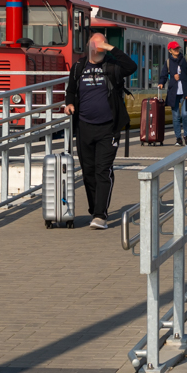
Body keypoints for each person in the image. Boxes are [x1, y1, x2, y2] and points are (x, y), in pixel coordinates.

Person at [65, 32, 139, 230]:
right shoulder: (79, 67)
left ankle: (100, 215)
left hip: (108, 127)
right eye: (95, 44)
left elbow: (132, 67)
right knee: (88, 171)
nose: (98, 48)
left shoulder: (113, 66)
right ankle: (94, 208)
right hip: (84, 127)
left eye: (102, 45)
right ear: (89, 46)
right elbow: (70, 90)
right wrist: (69, 103)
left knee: (102, 170)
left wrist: (110, 48)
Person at [161, 41, 187, 145]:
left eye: (178, 49)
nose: (177, 50)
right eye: (174, 49)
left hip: (185, 92)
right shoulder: (168, 62)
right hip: (173, 93)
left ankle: (186, 135)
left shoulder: (184, 61)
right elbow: (164, 75)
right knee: (176, 117)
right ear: (170, 50)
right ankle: (178, 138)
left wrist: (182, 76)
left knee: (185, 115)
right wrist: (161, 83)